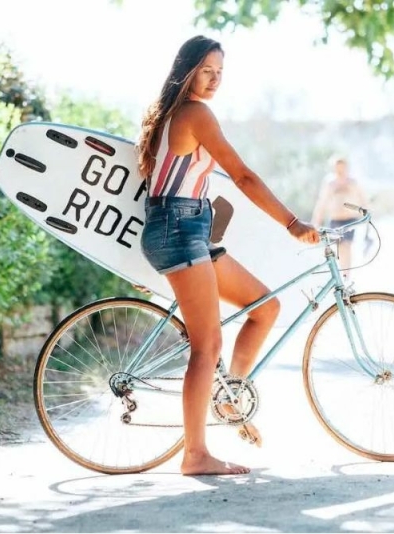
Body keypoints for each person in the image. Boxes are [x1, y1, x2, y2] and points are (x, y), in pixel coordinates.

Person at [136, 35, 319, 476]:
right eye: (207, 71)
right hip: (177, 227)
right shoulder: (194, 113)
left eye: (221, 73)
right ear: (187, 71)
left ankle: (230, 400)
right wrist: (292, 223)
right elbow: (242, 175)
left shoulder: (171, 114)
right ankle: (194, 454)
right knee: (207, 344)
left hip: (191, 224)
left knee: (265, 306)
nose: (215, 80)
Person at [310, 156, 369, 278]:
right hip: (335, 220)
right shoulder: (330, 183)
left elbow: (363, 199)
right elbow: (322, 202)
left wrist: (367, 213)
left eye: (342, 167)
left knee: (346, 245)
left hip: (350, 220)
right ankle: (342, 273)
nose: (340, 170)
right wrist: (316, 222)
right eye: (338, 167)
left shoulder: (352, 182)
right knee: (339, 248)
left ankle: (346, 274)